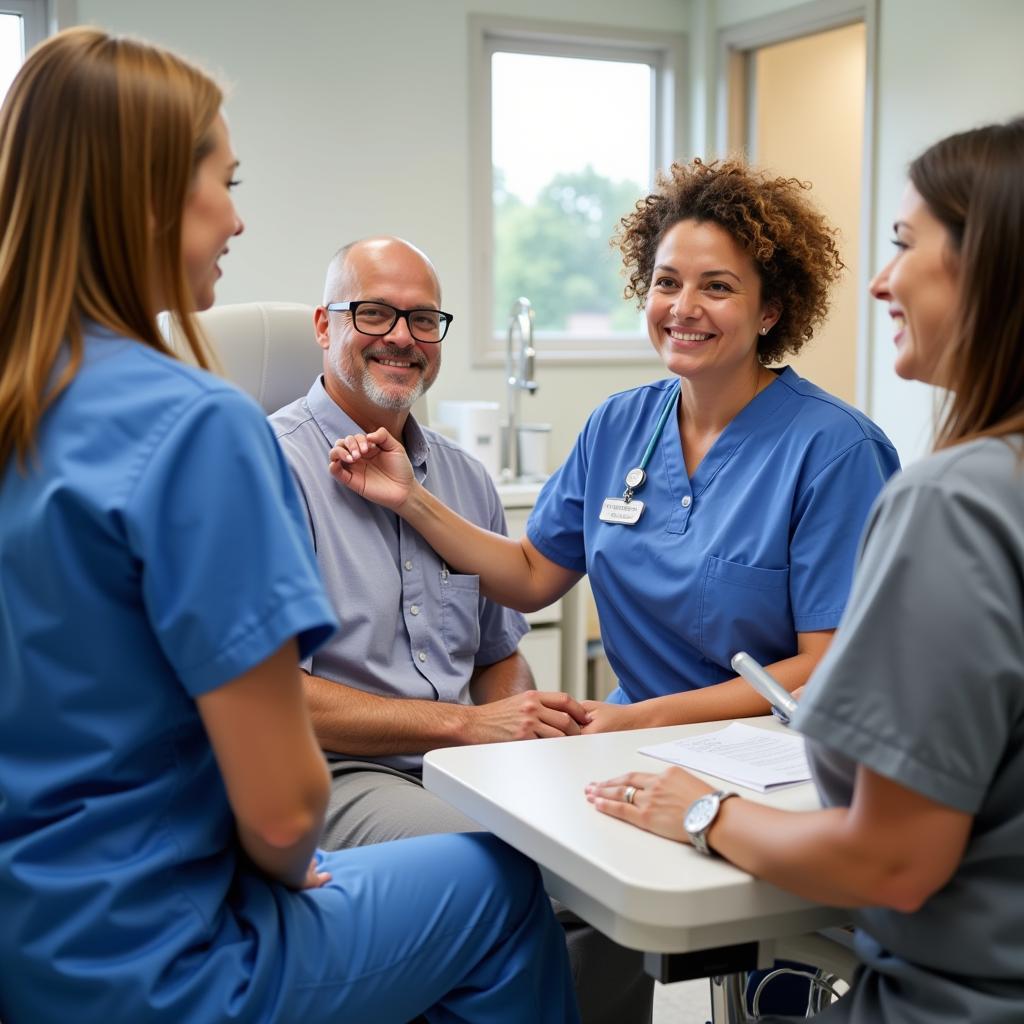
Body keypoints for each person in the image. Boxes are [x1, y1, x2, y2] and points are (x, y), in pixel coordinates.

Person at [0, 28, 578, 1024]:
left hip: (28, 924)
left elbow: (506, 628)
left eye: (425, 319)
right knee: (503, 890)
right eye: (222, 180)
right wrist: (283, 848)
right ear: (144, 196)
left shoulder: (29, 404)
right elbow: (281, 806)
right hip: (155, 957)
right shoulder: (207, 429)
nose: (234, 217)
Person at [586, 117, 1024, 1022]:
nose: (881, 279)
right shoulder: (622, 421)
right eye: (667, 282)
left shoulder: (951, 498)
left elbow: (894, 859)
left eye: (906, 244)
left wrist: (704, 813)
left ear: (993, 267)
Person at [328, 160, 900, 733]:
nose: (683, 307)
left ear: (769, 312)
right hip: (628, 738)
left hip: (769, 746)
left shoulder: (836, 451)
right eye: (667, 282)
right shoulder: (618, 426)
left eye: (718, 286)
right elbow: (529, 576)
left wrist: (646, 719)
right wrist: (411, 499)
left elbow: (825, 665)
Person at [269, 237, 652, 1024]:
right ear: (322, 324)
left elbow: (497, 653)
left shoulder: (463, 478)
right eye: (373, 312)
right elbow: (277, 700)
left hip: (467, 761)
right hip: (338, 777)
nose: (402, 336)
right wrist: (470, 727)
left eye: (423, 319)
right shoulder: (266, 464)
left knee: (615, 857)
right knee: (512, 862)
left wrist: (528, 734)